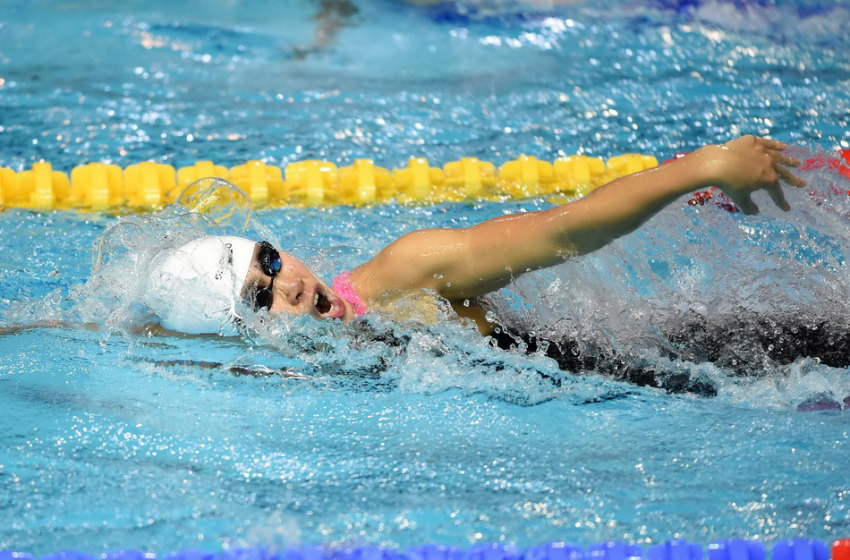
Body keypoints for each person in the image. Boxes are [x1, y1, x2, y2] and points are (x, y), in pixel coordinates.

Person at [148, 135, 806, 343]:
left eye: (270, 261)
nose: (292, 282)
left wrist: (701, 169)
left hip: (685, 372)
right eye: (262, 300)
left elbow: (562, 231)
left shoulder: (404, 274)